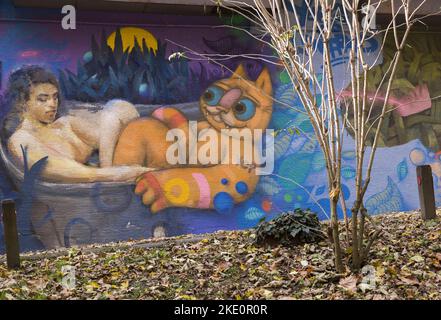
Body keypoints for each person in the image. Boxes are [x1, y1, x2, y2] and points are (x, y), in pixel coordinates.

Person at [2, 65, 153, 183]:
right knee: (115, 111)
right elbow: (87, 175)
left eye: (55, 97)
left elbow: (110, 141)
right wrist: (134, 171)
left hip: (111, 172)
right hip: (92, 190)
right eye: (43, 99)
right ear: (22, 102)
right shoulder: (21, 140)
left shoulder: (65, 124)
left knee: (118, 107)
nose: (52, 104)